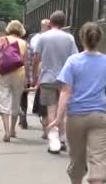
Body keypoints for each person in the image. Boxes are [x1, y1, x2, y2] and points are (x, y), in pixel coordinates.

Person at [47, 22, 106, 184]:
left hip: (76, 117)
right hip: (100, 117)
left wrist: (58, 118)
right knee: (98, 159)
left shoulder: (73, 61)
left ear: (81, 38)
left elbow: (65, 92)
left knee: (77, 159)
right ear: (99, 39)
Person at [33, 11, 78, 154]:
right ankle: (63, 138)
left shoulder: (43, 37)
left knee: (51, 110)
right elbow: (75, 59)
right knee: (63, 110)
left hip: (47, 78)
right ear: (64, 23)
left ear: (50, 22)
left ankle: (54, 142)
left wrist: (35, 76)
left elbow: (36, 59)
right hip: (65, 80)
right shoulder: (69, 38)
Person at [0, 20, 27, 142]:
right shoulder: (24, 43)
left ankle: (7, 132)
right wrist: (29, 79)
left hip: (3, 73)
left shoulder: (3, 40)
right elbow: (26, 61)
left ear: (9, 29)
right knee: (15, 102)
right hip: (19, 74)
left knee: (4, 102)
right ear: (21, 30)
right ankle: (13, 129)